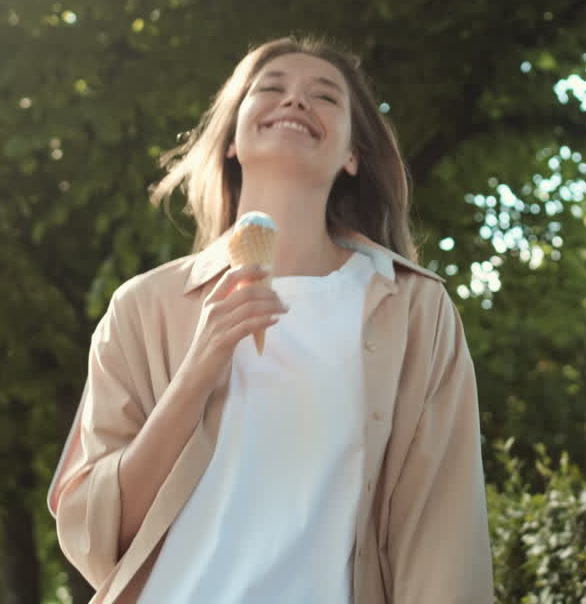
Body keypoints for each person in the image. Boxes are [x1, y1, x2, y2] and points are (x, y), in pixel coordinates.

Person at [46, 36, 494, 603]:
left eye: (325, 97)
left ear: (353, 154)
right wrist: (196, 371)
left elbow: (442, 528)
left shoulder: (414, 311)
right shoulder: (143, 306)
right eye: (272, 88)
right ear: (232, 139)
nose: (296, 102)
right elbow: (93, 532)